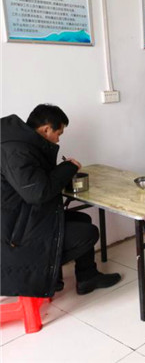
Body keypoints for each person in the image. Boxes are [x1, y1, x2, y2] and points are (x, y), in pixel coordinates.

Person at [1, 104, 121, 297]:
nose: (58, 140)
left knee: (83, 219)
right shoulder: (17, 152)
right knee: (88, 233)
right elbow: (38, 193)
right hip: (16, 236)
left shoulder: (20, 145)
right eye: (58, 134)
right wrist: (67, 168)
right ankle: (50, 274)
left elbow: (34, 182)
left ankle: (87, 278)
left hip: (23, 219)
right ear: (46, 129)